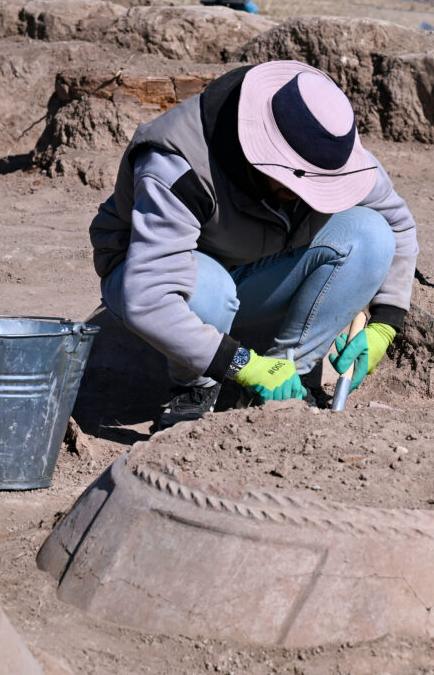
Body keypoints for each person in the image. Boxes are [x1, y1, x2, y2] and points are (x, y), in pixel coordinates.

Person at [89, 61, 417, 429]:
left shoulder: (324, 150)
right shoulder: (177, 163)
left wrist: (386, 323)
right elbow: (148, 298)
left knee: (371, 234)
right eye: (296, 185)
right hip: (155, 280)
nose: (306, 197)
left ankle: (285, 381)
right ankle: (195, 388)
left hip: (251, 265)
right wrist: (245, 364)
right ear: (265, 152)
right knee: (211, 289)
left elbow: (398, 224)